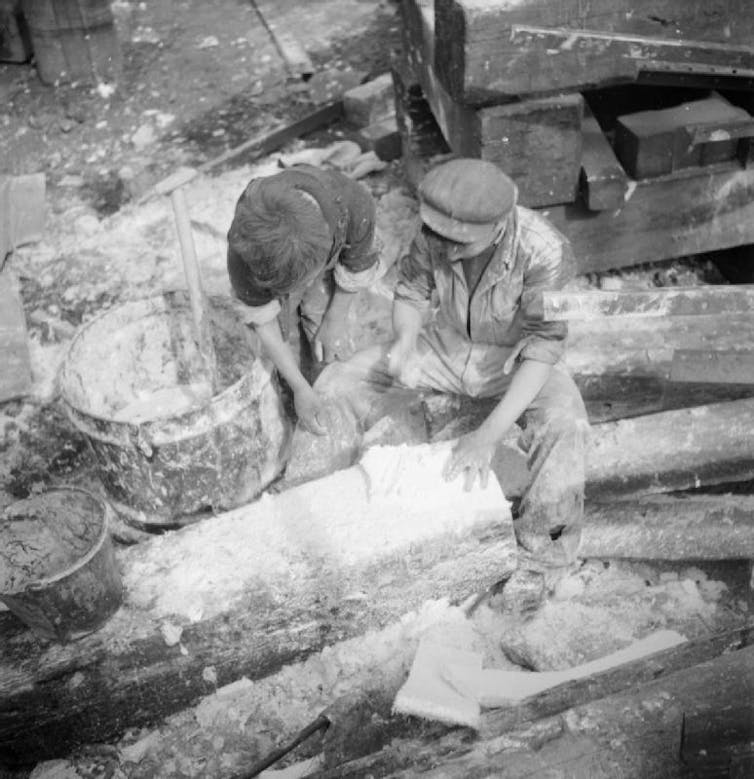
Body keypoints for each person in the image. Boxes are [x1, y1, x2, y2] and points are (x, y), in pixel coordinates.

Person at [287, 158, 590, 571]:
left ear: (499, 227)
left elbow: (543, 348)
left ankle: (542, 555)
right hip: (445, 347)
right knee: (339, 382)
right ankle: (305, 513)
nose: (445, 248)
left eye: (459, 243)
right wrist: (407, 340)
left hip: (513, 363)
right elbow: (411, 292)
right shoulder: (438, 230)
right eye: (438, 236)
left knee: (566, 422)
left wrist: (488, 436)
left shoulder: (544, 251)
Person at [227, 165, 383, 434]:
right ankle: (293, 399)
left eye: (302, 281)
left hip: (330, 235)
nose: (303, 286)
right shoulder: (246, 251)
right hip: (279, 260)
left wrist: (335, 318)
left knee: (329, 343)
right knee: (281, 344)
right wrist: (299, 387)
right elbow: (263, 320)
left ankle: (327, 388)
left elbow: (357, 266)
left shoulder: (356, 207)